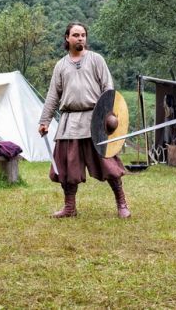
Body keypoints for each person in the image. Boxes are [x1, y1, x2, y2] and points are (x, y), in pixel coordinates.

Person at [39, 21, 130, 219]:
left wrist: (108, 114)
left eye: (83, 35)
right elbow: (53, 95)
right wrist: (44, 120)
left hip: (95, 119)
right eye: (76, 35)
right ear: (67, 38)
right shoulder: (61, 65)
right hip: (69, 122)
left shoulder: (96, 59)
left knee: (109, 165)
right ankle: (69, 207)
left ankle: (122, 203)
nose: (80, 38)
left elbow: (108, 87)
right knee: (67, 168)